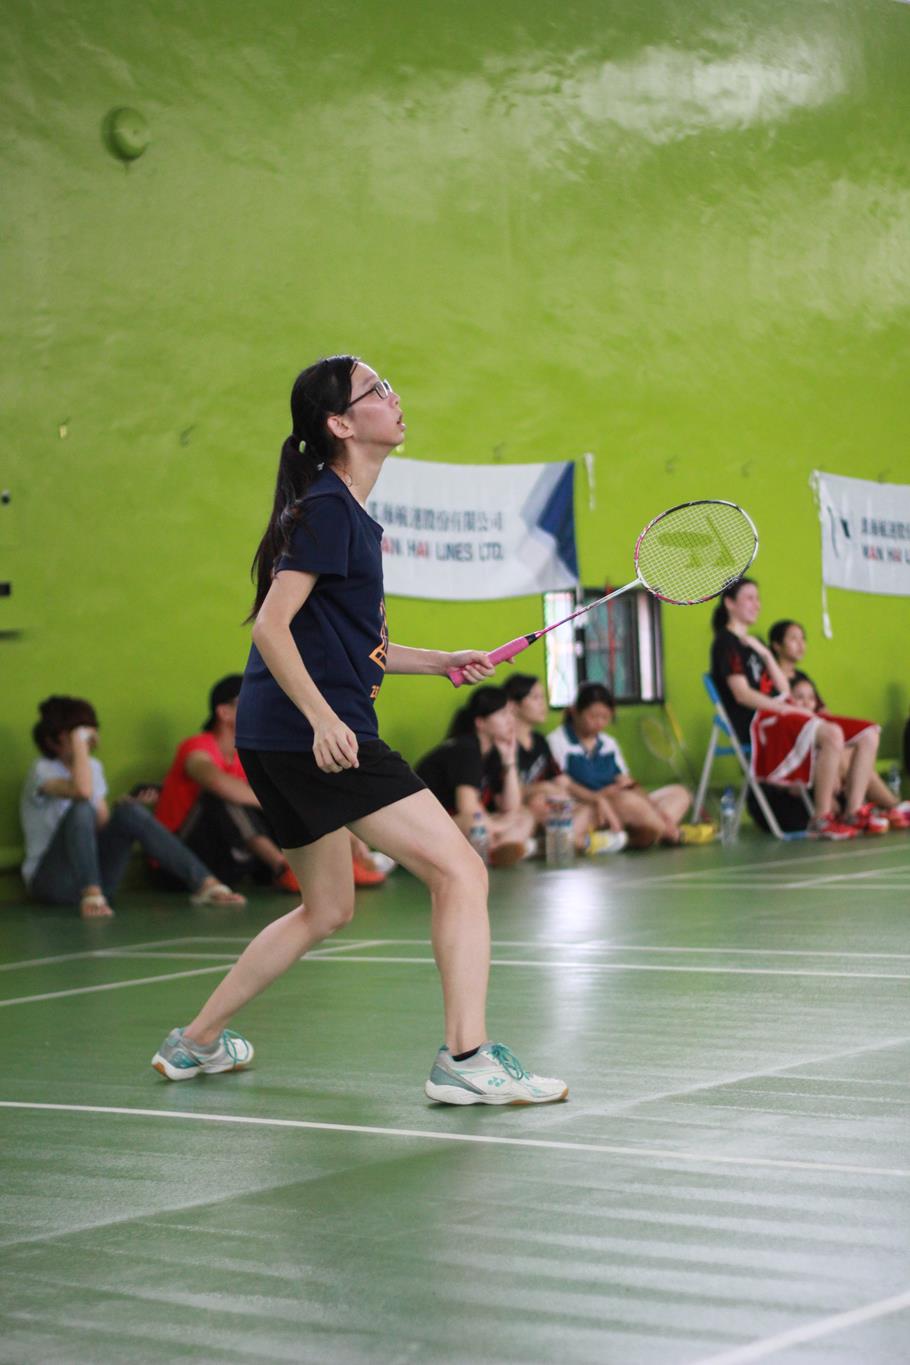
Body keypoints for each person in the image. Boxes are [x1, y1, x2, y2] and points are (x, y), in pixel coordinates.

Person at [150, 355, 567, 1105]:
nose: (394, 397)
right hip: (314, 734)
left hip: (275, 737)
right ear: (340, 423)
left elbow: (350, 641)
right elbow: (271, 626)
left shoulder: (340, 510)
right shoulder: (330, 508)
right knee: (461, 871)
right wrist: (322, 719)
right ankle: (466, 1057)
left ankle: (195, 1041)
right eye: (377, 390)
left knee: (327, 908)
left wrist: (439, 661)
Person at [21, 696, 245, 919]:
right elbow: (82, 792)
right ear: (54, 739)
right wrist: (79, 746)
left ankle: (206, 884)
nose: (87, 739)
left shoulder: (92, 767)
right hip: (52, 883)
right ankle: (91, 893)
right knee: (82, 808)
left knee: (128, 812)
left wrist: (126, 809)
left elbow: (100, 823)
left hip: (99, 881)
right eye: (78, 734)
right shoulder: (42, 770)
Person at [711, 583, 880, 838]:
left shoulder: (754, 643)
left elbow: (783, 688)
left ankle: (853, 811)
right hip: (760, 723)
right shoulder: (725, 643)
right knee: (832, 734)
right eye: (749, 598)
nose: (757, 604)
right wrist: (784, 709)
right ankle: (821, 817)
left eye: (758, 598)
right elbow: (742, 695)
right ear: (729, 603)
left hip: (782, 714)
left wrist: (766, 654)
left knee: (869, 733)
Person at [154, 675, 301, 891]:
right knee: (222, 795)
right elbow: (214, 780)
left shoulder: (244, 755)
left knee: (278, 796)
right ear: (224, 712)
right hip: (176, 860)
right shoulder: (197, 746)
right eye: (251, 701)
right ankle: (282, 868)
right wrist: (273, 803)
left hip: (222, 857)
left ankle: (308, 865)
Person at [769, 618, 910, 829]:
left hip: (820, 745)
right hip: (794, 750)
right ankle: (889, 807)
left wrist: (836, 747)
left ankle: (880, 808)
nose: (801, 644)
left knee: (854, 749)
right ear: (776, 645)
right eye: (793, 639)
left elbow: (824, 714)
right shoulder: (771, 680)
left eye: (803, 639)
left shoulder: (802, 677)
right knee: (848, 756)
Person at [547, 683, 688, 848]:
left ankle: (647, 830)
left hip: (619, 802)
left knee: (679, 793)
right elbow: (564, 785)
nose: (599, 722)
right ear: (575, 711)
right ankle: (662, 832)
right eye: (593, 716)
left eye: (605, 717)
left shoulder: (609, 743)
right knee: (630, 802)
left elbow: (626, 782)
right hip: (588, 806)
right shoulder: (557, 741)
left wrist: (655, 809)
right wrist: (600, 796)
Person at [415, 687, 536, 866]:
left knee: (525, 816)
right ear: (480, 722)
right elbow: (468, 808)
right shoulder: (466, 749)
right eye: (503, 714)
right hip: (427, 828)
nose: (511, 720)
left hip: (463, 826)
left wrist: (510, 760)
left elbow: (512, 807)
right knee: (477, 824)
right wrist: (499, 826)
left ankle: (494, 850)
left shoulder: (493, 751)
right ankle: (497, 847)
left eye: (511, 713)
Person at [503, 673, 621, 853]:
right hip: (520, 811)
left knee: (585, 807)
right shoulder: (504, 745)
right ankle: (575, 842)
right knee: (539, 801)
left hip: (551, 809)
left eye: (544, 698)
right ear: (513, 706)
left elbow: (563, 782)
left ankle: (563, 841)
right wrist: (541, 788)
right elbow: (504, 796)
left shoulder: (540, 742)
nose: (543, 705)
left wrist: (597, 799)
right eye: (536, 698)